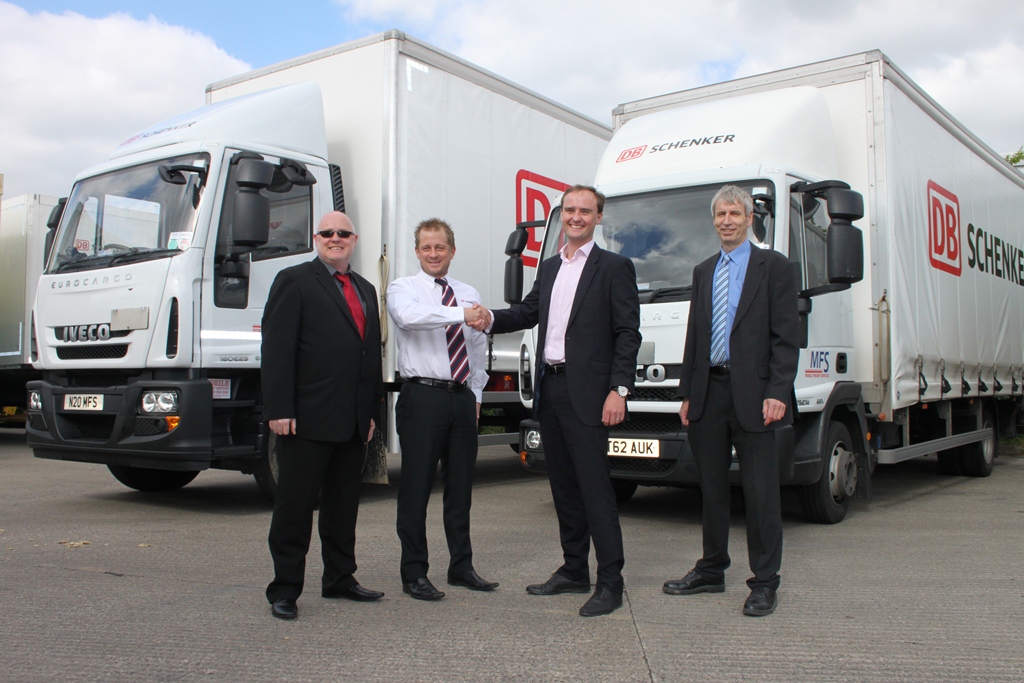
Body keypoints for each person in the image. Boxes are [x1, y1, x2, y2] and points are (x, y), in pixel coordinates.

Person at [475, 185, 641, 617]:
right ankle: (573, 570)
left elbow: (628, 333)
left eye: (585, 210)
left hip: (591, 394)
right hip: (551, 390)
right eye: (570, 209)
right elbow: (527, 313)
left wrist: (619, 389)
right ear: (562, 214)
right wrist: (489, 318)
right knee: (564, 488)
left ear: (598, 217)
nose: (576, 217)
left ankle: (611, 582)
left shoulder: (614, 268)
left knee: (595, 489)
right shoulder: (549, 268)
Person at [663, 185, 799, 617]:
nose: (727, 221)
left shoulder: (774, 267)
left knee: (760, 493)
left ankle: (765, 582)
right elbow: (696, 334)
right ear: (714, 219)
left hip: (756, 396)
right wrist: (687, 392)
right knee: (711, 489)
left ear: (749, 218)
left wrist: (777, 391)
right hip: (708, 394)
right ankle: (711, 569)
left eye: (735, 213)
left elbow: (786, 337)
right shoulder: (703, 270)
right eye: (721, 214)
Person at [261, 211, 386, 620]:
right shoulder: (294, 280)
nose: (336, 238)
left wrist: (370, 412)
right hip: (307, 419)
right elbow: (277, 349)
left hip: (352, 422)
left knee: (343, 508)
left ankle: (339, 578)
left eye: (343, 233)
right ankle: (284, 589)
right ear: (316, 238)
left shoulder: (366, 288)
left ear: (354, 240)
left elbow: (369, 356)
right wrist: (279, 408)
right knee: (294, 508)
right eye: (328, 232)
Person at [386, 218, 498, 601]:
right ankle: (414, 572)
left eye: (440, 247)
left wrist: (476, 396)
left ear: (452, 250)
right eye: (426, 247)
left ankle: (461, 567)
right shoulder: (404, 288)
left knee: (461, 488)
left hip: (461, 398)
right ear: (417, 251)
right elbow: (410, 318)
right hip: (423, 397)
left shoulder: (468, 292)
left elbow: (477, 348)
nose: (433, 254)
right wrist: (461, 314)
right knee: (416, 488)